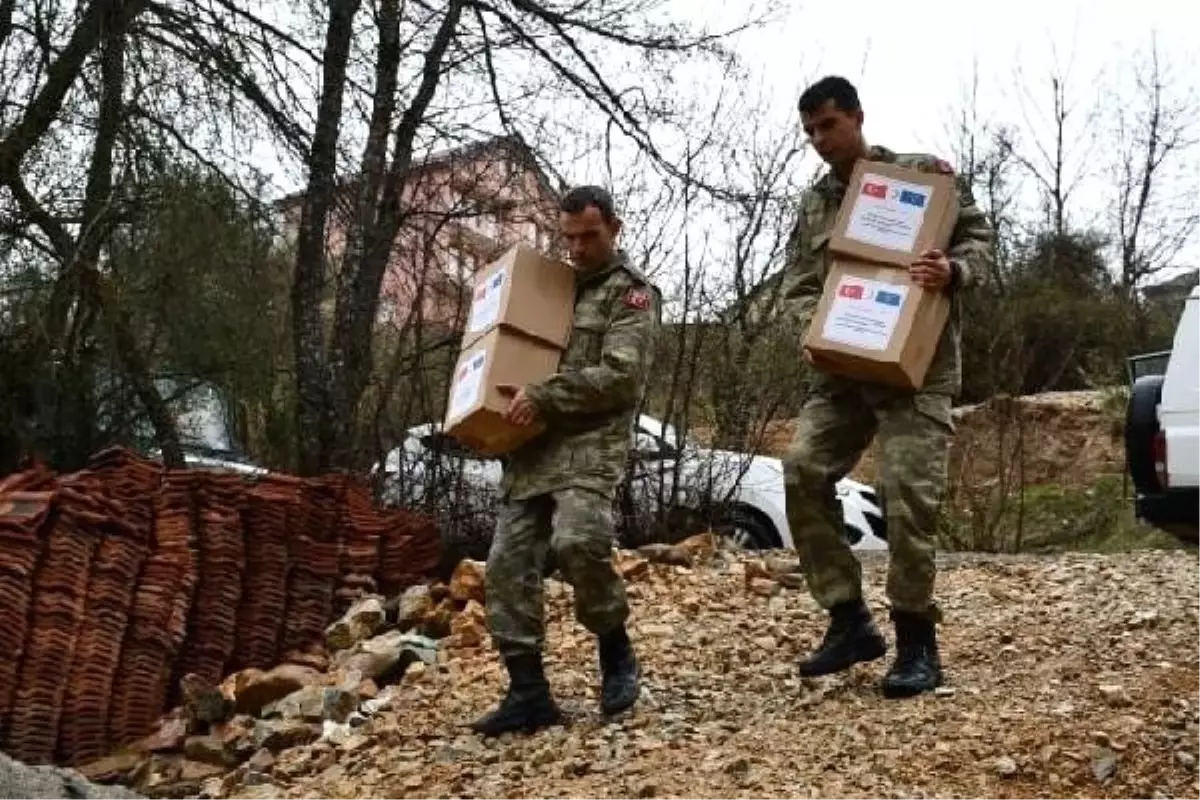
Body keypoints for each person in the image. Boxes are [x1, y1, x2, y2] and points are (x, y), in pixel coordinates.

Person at [778, 76, 993, 698]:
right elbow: (795, 285)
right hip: (843, 368)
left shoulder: (920, 176)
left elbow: (981, 239)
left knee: (906, 497)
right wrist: (813, 329)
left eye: (828, 126)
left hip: (915, 371)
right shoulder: (813, 204)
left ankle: (916, 645)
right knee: (802, 469)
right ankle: (848, 620)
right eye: (811, 132)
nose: (820, 141)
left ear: (857, 117)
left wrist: (953, 270)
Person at [469, 185, 662, 735]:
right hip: (531, 450)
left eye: (590, 236)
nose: (577, 248)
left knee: (579, 540)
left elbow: (623, 378)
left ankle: (615, 651)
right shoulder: (546, 289)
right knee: (505, 566)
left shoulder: (632, 295)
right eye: (569, 237)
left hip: (591, 444)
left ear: (614, 229)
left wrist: (546, 394)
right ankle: (528, 692)